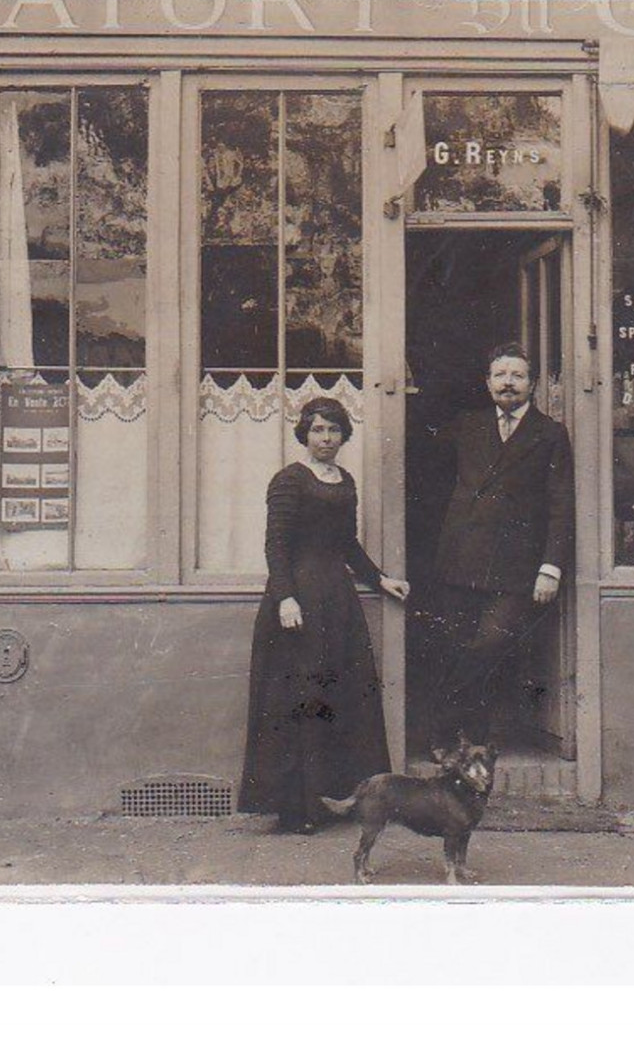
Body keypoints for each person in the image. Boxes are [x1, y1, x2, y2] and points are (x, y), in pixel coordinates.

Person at [239, 396, 410, 834]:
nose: (326, 439)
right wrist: (285, 599)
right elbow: (275, 546)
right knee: (300, 700)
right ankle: (298, 808)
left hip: (336, 600)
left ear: (343, 435)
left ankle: (340, 798)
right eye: (317, 430)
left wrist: (380, 579)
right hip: (298, 600)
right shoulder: (289, 480)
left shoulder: (345, 481)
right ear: (305, 433)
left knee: (339, 697)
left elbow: (347, 544)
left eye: (333, 430)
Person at [428, 342, 574, 748]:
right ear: (487, 381)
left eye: (517, 375)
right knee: (457, 648)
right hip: (462, 559)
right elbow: (429, 481)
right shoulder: (466, 426)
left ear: (533, 383)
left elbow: (562, 505)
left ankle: (442, 724)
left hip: (517, 568)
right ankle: (472, 739)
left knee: (487, 646)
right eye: (500, 375)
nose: (508, 383)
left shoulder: (549, 434)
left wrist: (551, 566)